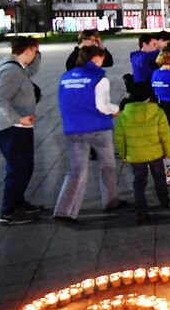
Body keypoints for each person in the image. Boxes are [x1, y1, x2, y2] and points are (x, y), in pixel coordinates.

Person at [53, 45, 124, 223]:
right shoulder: (99, 77)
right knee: (107, 165)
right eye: (101, 59)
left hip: (73, 128)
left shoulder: (66, 77)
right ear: (95, 59)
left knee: (77, 170)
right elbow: (102, 106)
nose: (102, 63)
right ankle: (110, 201)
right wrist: (116, 110)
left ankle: (64, 211)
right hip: (98, 127)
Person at [0, 35, 43, 226]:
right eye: (34, 52)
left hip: (19, 126)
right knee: (18, 169)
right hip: (11, 127)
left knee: (24, 167)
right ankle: (8, 212)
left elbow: (32, 70)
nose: (35, 55)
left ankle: (18, 202)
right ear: (27, 51)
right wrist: (18, 118)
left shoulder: (16, 67)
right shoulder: (10, 71)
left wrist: (38, 52)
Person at [114, 77, 170, 224]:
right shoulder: (157, 112)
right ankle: (164, 201)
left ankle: (141, 211)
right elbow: (165, 135)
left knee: (139, 182)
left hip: (135, 155)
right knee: (159, 177)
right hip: (155, 153)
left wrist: (123, 155)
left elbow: (120, 138)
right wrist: (169, 152)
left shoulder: (124, 114)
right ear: (149, 96)